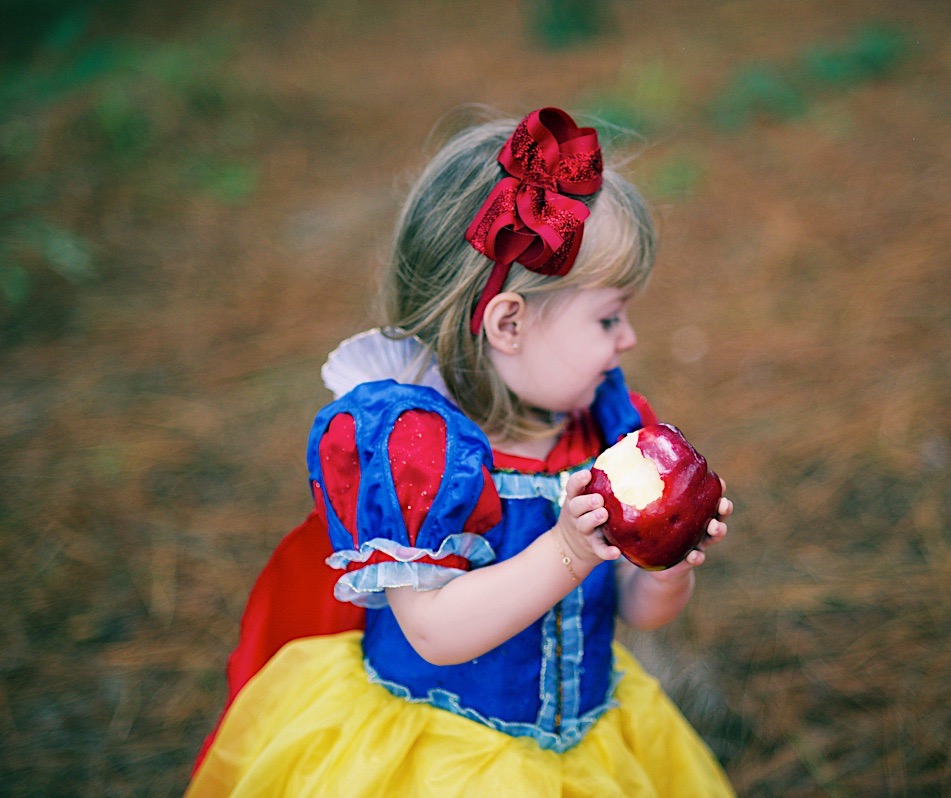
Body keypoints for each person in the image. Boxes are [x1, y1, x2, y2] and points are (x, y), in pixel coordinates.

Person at [187, 106, 735, 797]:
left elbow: (636, 611)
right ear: (509, 323)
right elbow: (436, 632)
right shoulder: (418, 453)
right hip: (441, 758)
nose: (627, 339)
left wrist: (665, 566)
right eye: (608, 317)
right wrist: (568, 550)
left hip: (584, 741)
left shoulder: (608, 427)